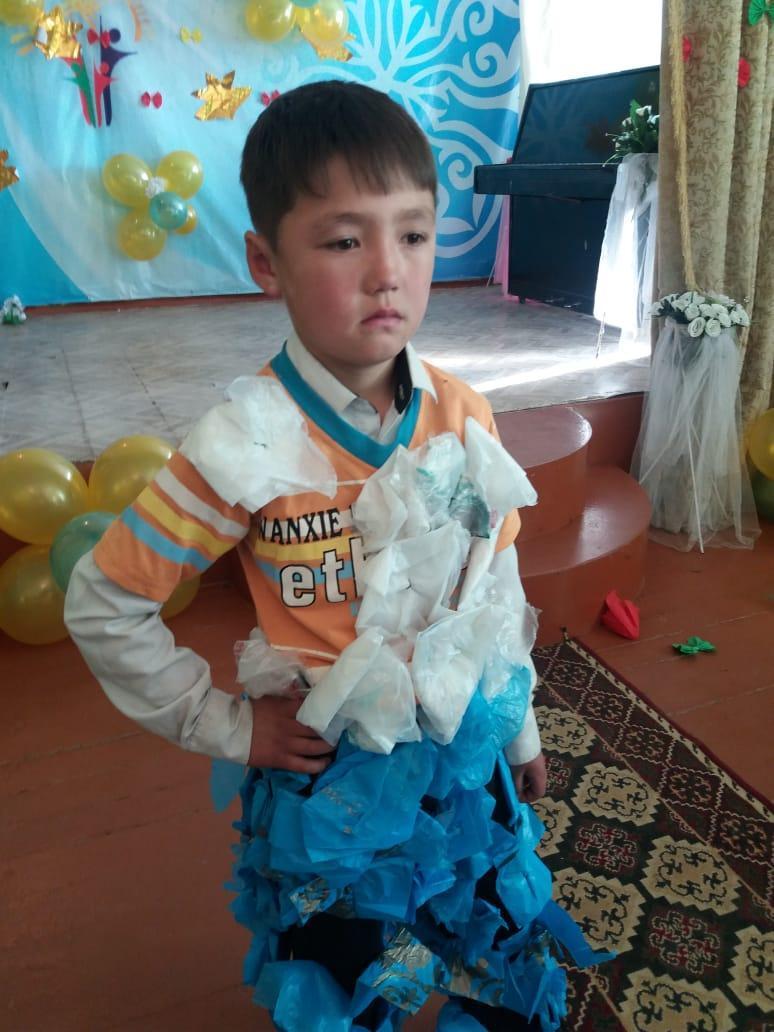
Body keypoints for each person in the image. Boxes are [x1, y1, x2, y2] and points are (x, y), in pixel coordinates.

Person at [65, 81, 589, 1032]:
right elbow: (104, 601)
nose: (389, 272)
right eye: (345, 241)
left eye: (414, 234)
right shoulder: (243, 446)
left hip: (465, 761)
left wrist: (519, 734)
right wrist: (226, 725)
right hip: (329, 787)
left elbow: (493, 588)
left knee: (502, 951)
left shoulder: (464, 412)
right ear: (266, 262)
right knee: (349, 989)